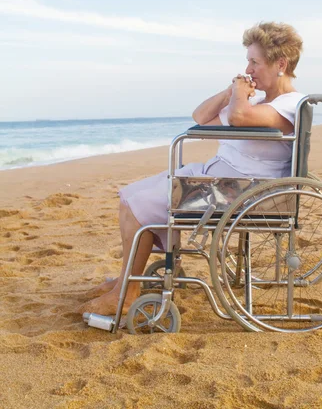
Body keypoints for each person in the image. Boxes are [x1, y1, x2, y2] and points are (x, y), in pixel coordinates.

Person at [80, 22, 305, 315]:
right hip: (220, 180)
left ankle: (129, 291)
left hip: (243, 192)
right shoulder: (262, 103)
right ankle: (125, 280)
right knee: (129, 196)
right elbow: (200, 117)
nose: (247, 69)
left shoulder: (289, 104)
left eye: (254, 62)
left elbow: (238, 117)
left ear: (281, 64)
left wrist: (239, 95)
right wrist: (229, 91)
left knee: (139, 205)